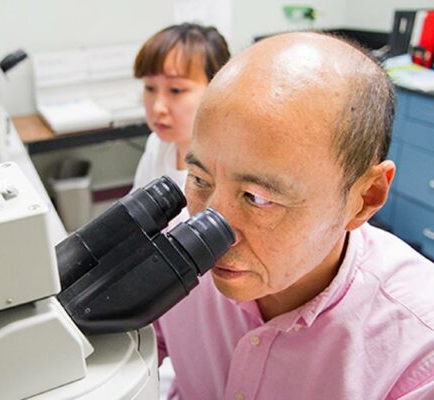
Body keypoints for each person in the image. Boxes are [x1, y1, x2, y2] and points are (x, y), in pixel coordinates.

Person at [155, 32, 434, 399]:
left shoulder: (417, 347)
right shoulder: (171, 247)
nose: (209, 230)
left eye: (257, 198)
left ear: (366, 197)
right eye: (200, 180)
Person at [132, 23, 230, 200]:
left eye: (176, 90)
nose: (157, 108)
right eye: (150, 87)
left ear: (217, 88)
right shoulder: (158, 145)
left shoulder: (232, 168)